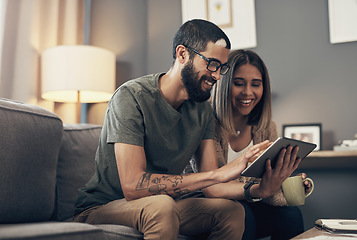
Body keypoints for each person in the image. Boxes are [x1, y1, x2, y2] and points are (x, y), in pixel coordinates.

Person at [73, 19, 300, 240]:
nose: (216, 75)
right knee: (161, 206)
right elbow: (133, 186)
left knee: (230, 211)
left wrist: (257, 190)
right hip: (104, 206)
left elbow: (211, 188)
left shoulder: (201, 110)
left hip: (165, 204)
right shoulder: (131, 97)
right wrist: (220, 173)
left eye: (222, 68)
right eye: (211, 64)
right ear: (182, 54)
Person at [209, 49, 312, 240]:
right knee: (243, 216)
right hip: (214, 204)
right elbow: (212, 183)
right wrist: (259, 187)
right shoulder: (208, 123)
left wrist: (282, 179)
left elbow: (266, 184)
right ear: (224, 85)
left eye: (255, 84)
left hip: (251, 200)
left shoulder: (266, 128)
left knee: (291, 216)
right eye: (238, 84)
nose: (248, 92)